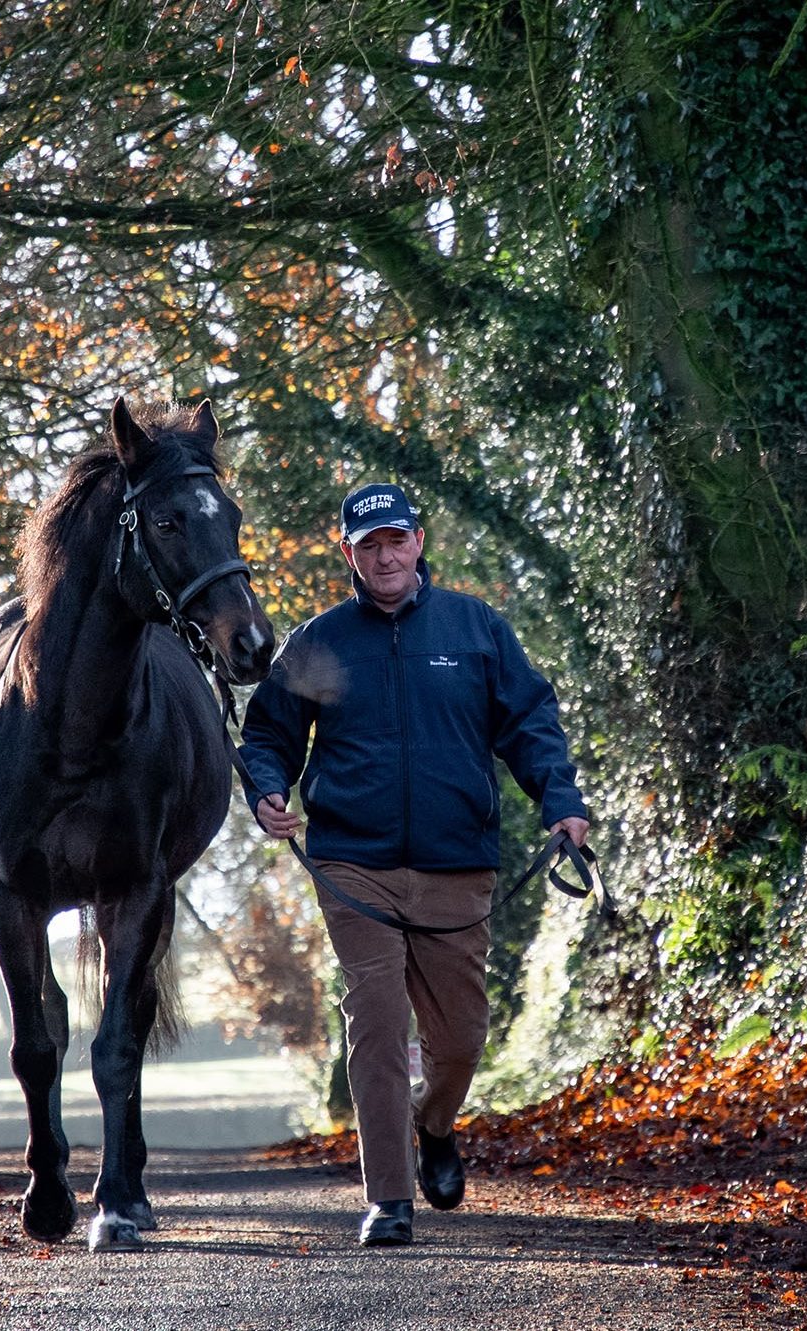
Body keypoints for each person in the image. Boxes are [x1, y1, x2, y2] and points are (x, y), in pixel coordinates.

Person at [237, 481, 590, 1247]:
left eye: (396, 540)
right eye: (370, 545)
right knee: (377, 1014)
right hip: (352, 861)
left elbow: (530, 722)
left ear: (418, 542)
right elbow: (266, 733)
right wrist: (267, 790)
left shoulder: (475, 629)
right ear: (350, 554)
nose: (386, 555)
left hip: (457, 862)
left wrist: (560, 799)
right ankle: (388, 1198)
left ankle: (435, 1122)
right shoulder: (319, 642)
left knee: (460, 1036)